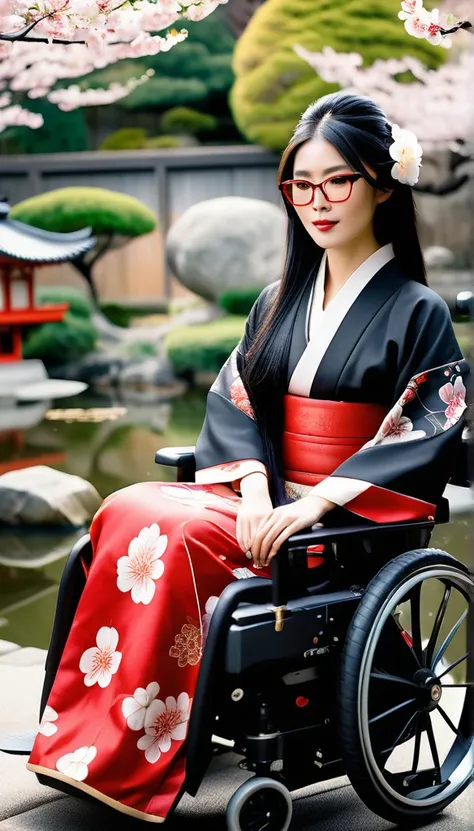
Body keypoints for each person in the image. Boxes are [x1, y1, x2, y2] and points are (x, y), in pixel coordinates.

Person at [27, 92, 469, 822]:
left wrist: (313, 501)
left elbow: (421, 429)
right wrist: (259, 489)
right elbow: (238, 401)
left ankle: (143, 741)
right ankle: (92, 733)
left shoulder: (416, 310)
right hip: (262, 504)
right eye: (301, 183)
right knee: (125, 509)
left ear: (383, 185)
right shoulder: (278, 300)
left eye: (338, 181)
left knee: (172, 531)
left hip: (338, 524)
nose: (316, 201)